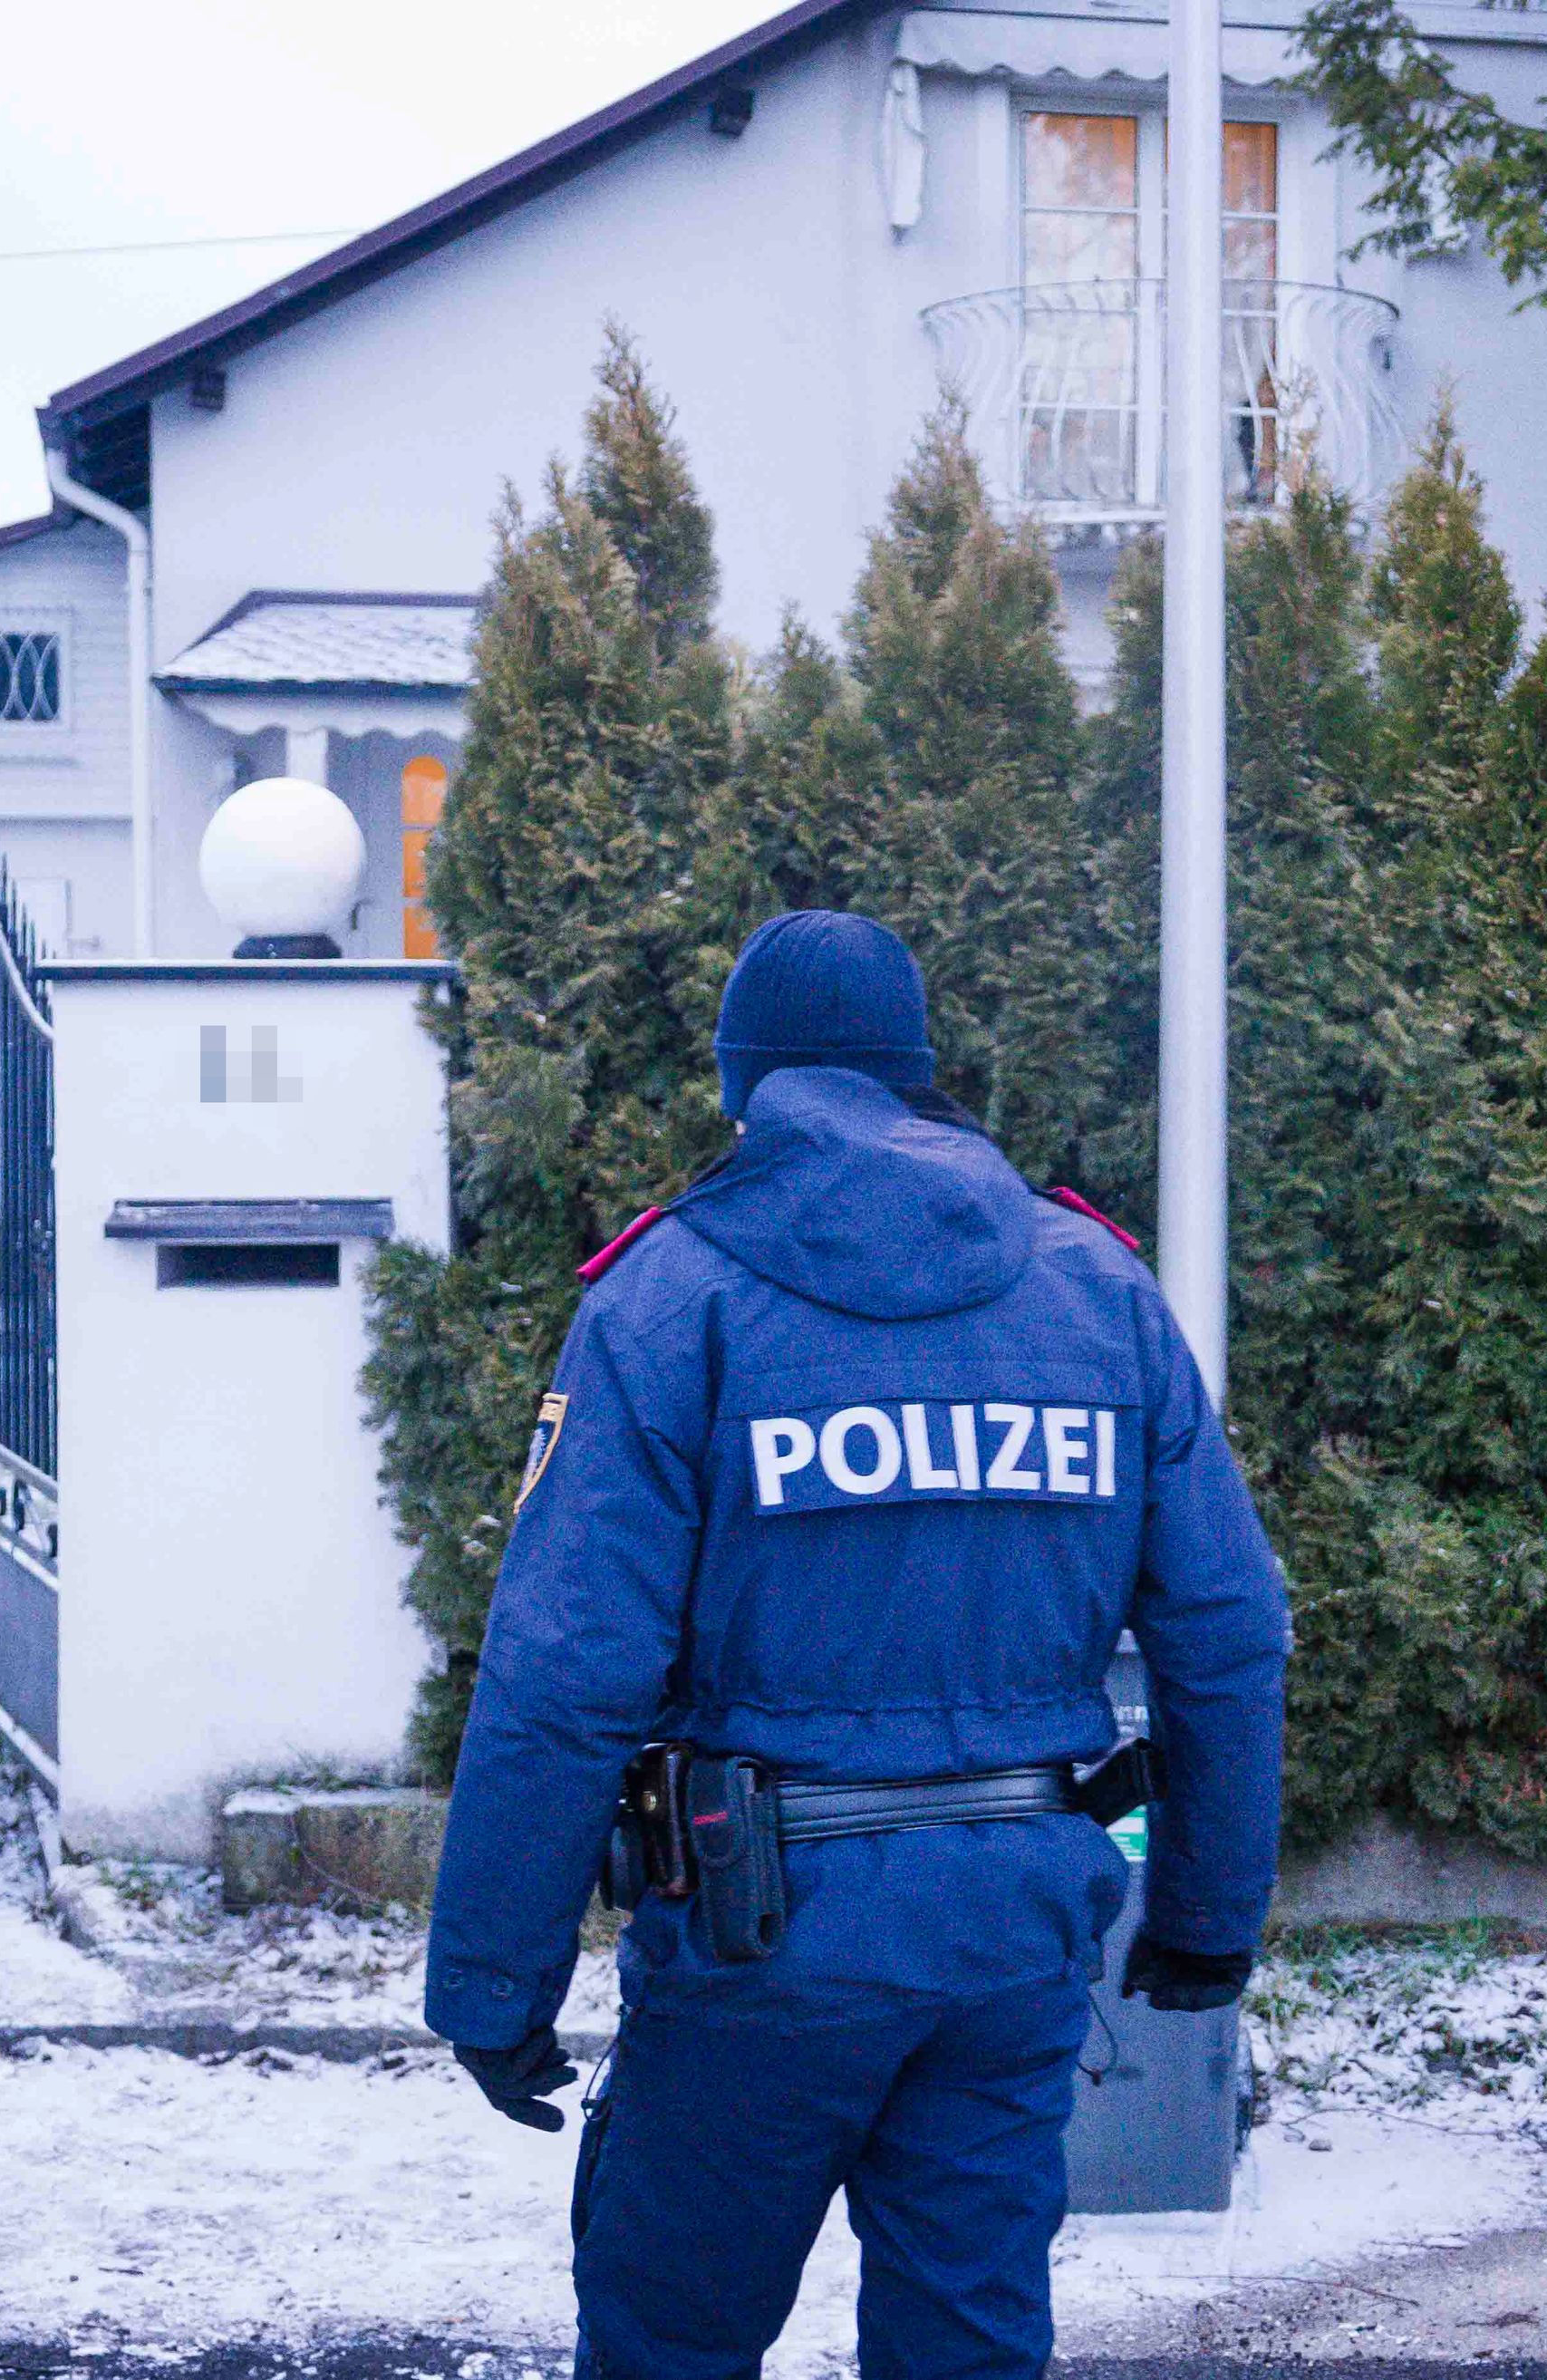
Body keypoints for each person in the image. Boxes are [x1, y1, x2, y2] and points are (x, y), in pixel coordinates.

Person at [426, 910, 1289, 2380]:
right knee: (966, 2348)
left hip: (757, 1938)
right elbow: (1227, 1632)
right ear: (921, 1074)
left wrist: (493, 1988)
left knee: (669, 2344)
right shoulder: (1096, 1292)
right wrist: (1207, 1917)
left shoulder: (668, 1298)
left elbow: (565, 1673)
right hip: (1015, 1931)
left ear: (739, 1085)